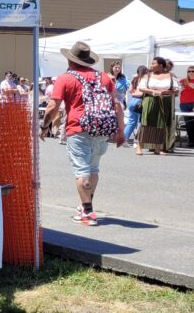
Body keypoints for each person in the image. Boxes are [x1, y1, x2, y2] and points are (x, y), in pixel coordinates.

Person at [42, 42, 124, 227]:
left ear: (70, 60)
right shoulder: (104, 77)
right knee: (93, 169)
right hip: (102, 129)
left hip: (78, 128)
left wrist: (44, 126)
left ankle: (88, 213)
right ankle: (85, 206)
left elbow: (53, 107)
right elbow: (117, 105)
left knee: (82, 170)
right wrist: (120, 131)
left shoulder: (65, 78)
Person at [136, 56, 178, 155]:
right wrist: (153, 91)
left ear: (161, 65)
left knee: (161, 123)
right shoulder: (148, 75)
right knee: (146, 122)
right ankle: (139, 146)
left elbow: (176, 90)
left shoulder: (170, 75)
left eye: (154, 63)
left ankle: (157, 148)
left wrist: (167, 91)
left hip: (165, 101)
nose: (151, 65)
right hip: (150, 100)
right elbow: (141, 88)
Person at [123, 66, 148, 146]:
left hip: (133, 100)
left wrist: (134, 93)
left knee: (131, 121)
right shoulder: (145, 80)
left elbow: (130, 90)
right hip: (140, 101)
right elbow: (141, 93)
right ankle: (137, 141)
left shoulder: (135, 79)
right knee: (141, 122)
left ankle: (124, 139)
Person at [180, 66, 194, 149]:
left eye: (193, 71)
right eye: (189, 71)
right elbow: (177, 93)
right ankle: (191, 142)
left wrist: (190, 85)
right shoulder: (182, 81)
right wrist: (179, 90)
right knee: (188, 123)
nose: (191, 73)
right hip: (184, 104)